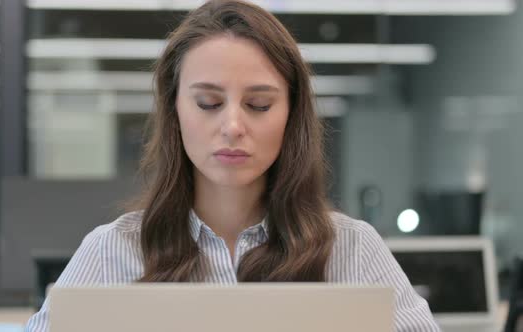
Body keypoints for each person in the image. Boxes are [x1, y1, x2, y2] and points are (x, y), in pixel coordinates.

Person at [25, 0, 440, 331]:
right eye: (208, 103)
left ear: (291, 114)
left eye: (259, 105)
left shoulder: (353, 250)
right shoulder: (110, 253)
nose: (233, 126)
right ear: (175, 110)